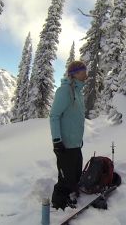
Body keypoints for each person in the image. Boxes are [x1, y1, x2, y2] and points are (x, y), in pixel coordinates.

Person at [50, 61, 88, 210]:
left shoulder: (78, 92)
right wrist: (57, 141)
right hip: (64, 144)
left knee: (75, 174)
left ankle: (70, 196)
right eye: (83, 71)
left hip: (76, 143)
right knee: (65, 178)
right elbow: (54, 116)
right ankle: (58, 204)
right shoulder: (64, 91)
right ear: (75, 74)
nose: (86, 74)